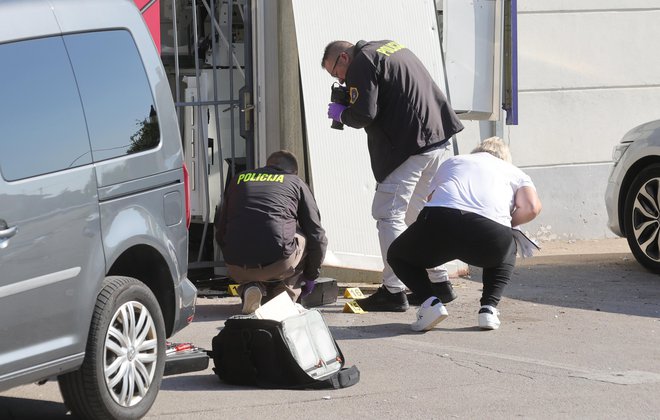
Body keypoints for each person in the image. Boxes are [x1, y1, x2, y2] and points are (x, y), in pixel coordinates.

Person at [322, 39, 464, 312]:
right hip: (435, 139)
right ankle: (440, 284)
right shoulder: (388, 47)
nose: (340, 80)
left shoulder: (362, 62)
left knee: (388, 215)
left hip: (409, 145)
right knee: (417, 214)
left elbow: (364, 114)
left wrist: (343, 115)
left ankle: (394, 289)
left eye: (335, 73)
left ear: (343, 57)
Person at [387, 137, 542, 331]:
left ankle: (430, 304)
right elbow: (532, 208)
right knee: (509, 243)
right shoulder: (516, 172)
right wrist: (505, 224)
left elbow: (431, 197)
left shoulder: (455, 161)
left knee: (398, 255)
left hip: (440, 221)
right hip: (488, 234)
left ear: (476, 151)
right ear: (505, 157)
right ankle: (488, 309)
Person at [214, 150, 328, 314]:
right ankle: (284, 295)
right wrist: (311, 276)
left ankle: (250, 287)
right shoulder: (295, 182)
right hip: (278, 264)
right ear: (293, 171)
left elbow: (221, 227)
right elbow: (317, 236)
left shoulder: (239, 179)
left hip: (235, 267)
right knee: (304, 236)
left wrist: (231, 257)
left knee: (246, 231)